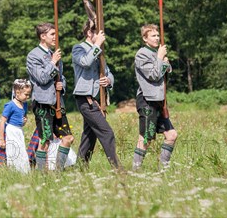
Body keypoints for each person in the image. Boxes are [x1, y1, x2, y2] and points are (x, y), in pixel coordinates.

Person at [72, 21, 122, 170]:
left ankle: (80, 168)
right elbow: (86, 62)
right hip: (85, 99)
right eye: (97, 32)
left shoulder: (99, 51)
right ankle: (118, 168)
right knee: (107, 133)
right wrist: (97, 45)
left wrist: (108, 80)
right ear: (89, 33)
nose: (101, 36)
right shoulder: (78, 48)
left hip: (96, 100)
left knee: (89, 136)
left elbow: (109, 73)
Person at [26, 22, 74, 171]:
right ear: (43, 36)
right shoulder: (33, 56)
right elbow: (41, 78)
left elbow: (62, 77)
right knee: (45, 141)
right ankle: (41, 175)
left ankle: (58, 171)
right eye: (52, 34)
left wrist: (62, 86)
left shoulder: (55, 54)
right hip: (43, 104)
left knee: (68, 138)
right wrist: (53, 62)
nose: (55, 37)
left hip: (58, 104)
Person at [132, 24, 178, 170]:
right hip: (147, 101)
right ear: (145, 38)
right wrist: (160, 57)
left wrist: (163, 60)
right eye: (153, 36)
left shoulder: (158, 53)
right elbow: (153, 75)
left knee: (171, 135)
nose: (157, 38)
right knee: (146, 138)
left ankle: (163, 169)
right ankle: (136, 170)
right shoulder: (142, 54)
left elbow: (167, 70)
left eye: (158, 35)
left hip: (159, 101)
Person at [0, 79, 31, 173]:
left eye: (29, 94)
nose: (28, 96)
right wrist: (2, 139)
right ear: (17, 93)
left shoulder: (24, 104)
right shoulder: (10, 105)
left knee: (21, 150)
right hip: (11, 131)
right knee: (13, 151)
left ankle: (23, 171)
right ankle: (13, 170)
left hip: (19, 131)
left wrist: (24, 121)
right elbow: (2, 122)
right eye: (26, 94)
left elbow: (23, 119)